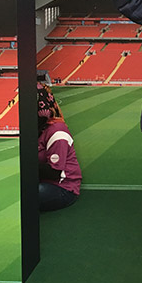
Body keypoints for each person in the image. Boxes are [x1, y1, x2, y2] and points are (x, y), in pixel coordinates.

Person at [37, 83, 82, 212]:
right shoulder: (41, 129)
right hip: (45, 182)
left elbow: (54, 172)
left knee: (23, 196)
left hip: (63, 188)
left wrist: (24, 167)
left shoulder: (57, 132)